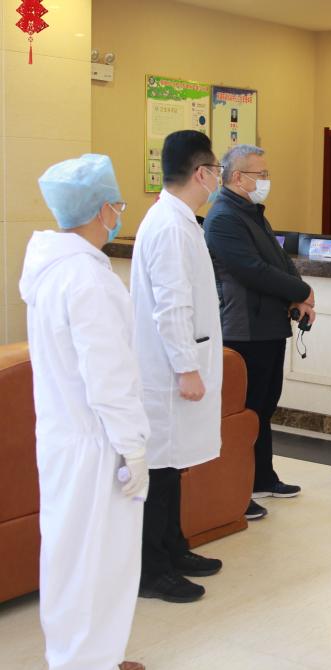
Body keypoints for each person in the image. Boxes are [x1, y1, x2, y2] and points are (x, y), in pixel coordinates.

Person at [22, 154, 149, 670]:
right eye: (117, 204)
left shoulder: (52, 269)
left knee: (71, 554)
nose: (119, 212)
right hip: (97, 442)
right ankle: (86, 668)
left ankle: (85, 658)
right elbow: (108, 376)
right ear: (102, 210)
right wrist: (133, 446)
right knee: (101, 560)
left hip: (63, 435)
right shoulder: (87, 281)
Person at [131, 131, 224, 604]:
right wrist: (187, 368)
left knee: (172, 467)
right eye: (216, 170)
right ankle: (153, 569)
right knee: (161, 471)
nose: (217, 179)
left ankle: (173, 547)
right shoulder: (169, 226)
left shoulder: (179, 219)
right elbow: (171, 307)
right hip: (167, 372)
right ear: (202, 172)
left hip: (174, 367)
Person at [205, 144, 311, 519]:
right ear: (237, 177)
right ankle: (238, 488)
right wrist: (300, 291)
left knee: (264, 408)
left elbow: (279, 261)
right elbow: (253, 270)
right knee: (244, 412)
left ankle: (262, 477)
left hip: (268, 326)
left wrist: (300, 293)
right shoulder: (223, 218)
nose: (266, 180)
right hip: (243, 329)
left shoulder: (252, 214)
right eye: (260, 174)